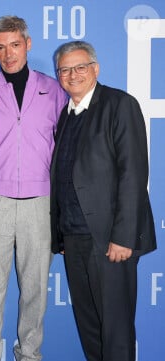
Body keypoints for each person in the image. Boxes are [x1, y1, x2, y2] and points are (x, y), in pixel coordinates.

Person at [0, 16, 66, 361]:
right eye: (0, 47)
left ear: (28, 44)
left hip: (40, 201)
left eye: (14, 45)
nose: (8, 54)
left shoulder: (54, 90)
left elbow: (65, 146)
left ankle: (29, 356)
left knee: (35, 292)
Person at [51, 40, 156, 361]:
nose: (72, 74)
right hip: (75, 238)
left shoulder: (119, 105)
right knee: (90, 328)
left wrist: (122, 237)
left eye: (80, 67)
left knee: (116, 330)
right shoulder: (66, 114)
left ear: (95, 69)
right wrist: (62, 235)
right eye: (65, 69)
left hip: (111, 240)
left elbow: (133, 174)